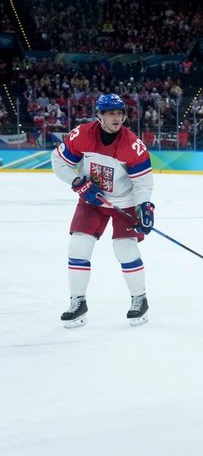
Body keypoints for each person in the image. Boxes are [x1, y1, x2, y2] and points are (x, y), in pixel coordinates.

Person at [51, 93, 154, 328]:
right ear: (100, 116)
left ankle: (140, 299)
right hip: (93, 199)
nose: (117, 118)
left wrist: (145, 207)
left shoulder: (132, 145)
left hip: (124, 201)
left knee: (125, 248)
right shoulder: (83, 134)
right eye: (111, 113)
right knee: (78, 243)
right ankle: (78, 302)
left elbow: (143, 183)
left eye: (119, 113)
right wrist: (78, 182)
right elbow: (58, 162)